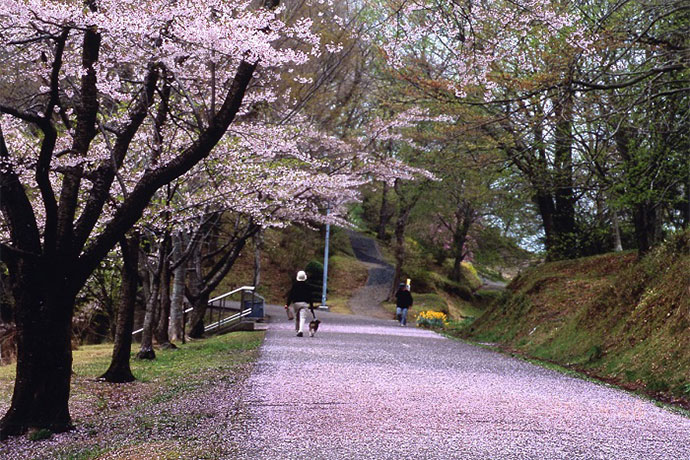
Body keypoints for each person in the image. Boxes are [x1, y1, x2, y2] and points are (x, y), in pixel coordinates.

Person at [285, 270, 315, 337]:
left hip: (296, 304)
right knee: (302, 317)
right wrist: (312, 307)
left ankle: (297, 330)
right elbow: (310, 297)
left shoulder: (295, 285)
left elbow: (291, 295)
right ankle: (300, 330)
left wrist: (287, 304)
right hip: (304, 304)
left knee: (297, 317)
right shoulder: (307, 286)